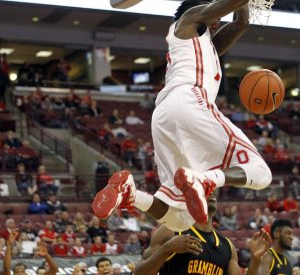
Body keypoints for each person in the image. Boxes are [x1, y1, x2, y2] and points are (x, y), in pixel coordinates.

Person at [93, 0, 272, 233]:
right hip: (189, 101)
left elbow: (241, 22)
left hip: (165, 115)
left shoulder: (208, 45)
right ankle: (204, 179)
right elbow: (215, 10)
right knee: (260, 171)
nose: (218, 13)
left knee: (181, 220)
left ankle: (130, 193)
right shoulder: (188, 20)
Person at [134, 193, 272, 275]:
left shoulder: (227, 246)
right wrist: (167, 249)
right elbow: (138, 273)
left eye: (212, 189)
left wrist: (255, 259)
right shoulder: (172, 230)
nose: (210, 193)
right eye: (204, 190)